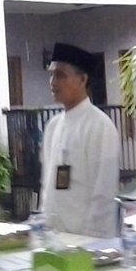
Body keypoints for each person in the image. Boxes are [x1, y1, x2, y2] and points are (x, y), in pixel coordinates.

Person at [39, 42, 120, 237]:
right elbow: (47, 185)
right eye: (51, 74)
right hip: (53, 237)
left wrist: (92, 244)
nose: (53, 82)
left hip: (86, 242)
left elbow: (104, 192)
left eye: (60, 75)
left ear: (82, 79)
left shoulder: (99, 125)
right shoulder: (53, 126)